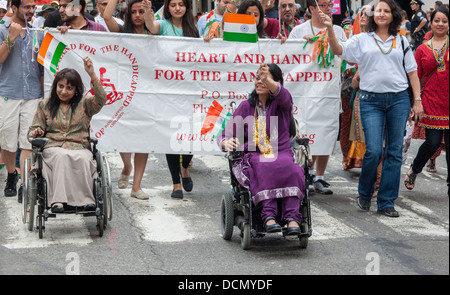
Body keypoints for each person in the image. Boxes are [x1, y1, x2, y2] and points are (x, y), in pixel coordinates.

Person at [322, 0, 423, 217]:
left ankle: (386, 201)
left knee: (394, 153)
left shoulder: (402, 40)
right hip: (370, 101)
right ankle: (365, 194)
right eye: (378, 10)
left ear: (393, 15)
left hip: (399, 101)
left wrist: (417, 100)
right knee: (374, 150)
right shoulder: (361, 39)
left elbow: (412, 72)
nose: (382, 14)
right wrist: (330, 28)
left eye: (387, 11)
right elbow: (338, 50)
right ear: (371, 15)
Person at [219, 63, 305, 235]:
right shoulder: (245, 107)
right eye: (257, 78)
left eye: (265, 79)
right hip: (255, 153)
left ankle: (292, 218)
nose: (259, 81)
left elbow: (284, 96)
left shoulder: (283, 104)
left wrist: (268, 80)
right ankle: (268, 216)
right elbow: (225, 135)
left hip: (281, 151)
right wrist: (225, 143)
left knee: (292, 168)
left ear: (277, 83)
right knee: (263, 164)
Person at [28, 57, 107, 213]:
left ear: (76, 90)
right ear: (55, 86)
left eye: (69, 88)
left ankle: (87, 201)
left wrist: (92, 75)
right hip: (53, 147)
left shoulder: (85, 104)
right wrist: (36, 132)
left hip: (78, 146)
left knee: (84, 158)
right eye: (61, 86)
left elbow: (102, 99)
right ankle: (57, 201)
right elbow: (33, 129)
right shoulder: (45, 105)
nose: (63, 91)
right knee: (61, 157)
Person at [288, 0, 347, 195]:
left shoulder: (338, 30)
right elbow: (289, 56)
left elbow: (342, 53)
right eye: (322, 5)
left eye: (329, 4)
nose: (327, 8)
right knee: (304, 131)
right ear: (312, 8)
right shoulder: (299, 30)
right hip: (304, 91)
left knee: (326, 130)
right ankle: (306, 173)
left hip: (328, 90)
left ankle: (320, 176)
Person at [144, 0, 199, 199]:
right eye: (173, 4)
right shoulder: (163, 25)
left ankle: (185, 167)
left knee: (193, 135)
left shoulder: (194, 28)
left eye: (181, 4)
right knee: (171, 138)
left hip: (189, 91)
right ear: (167, 7)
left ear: (187, 8)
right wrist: (149, 12)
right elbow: (150, 26)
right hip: (167, 92)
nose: (177, 8)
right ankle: (176, 183)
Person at [104, 0, 151, 200]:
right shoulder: (122, 31)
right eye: (134, 12)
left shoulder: (155, 35)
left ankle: (137, 186)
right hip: (126, 91)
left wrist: (150, 11)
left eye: (142, 11)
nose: (138, 15)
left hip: (148, 93)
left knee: (144, 139)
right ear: (128, 14)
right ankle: (127, 165)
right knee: (124, 132)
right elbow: (107, 16)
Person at [0, 0, 44, 201]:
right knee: (8, 142)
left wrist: (45, 95)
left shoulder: (39, 33)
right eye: (26, 7)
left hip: (33, 95)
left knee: (27, 141)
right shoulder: (2, 29)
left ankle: (25, 185)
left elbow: (43, 66)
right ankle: (11, 175)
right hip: (8, 93)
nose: (30, 11)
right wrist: (10, 38)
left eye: (33, 8)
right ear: (14, 8)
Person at [405, 7, 449, 196]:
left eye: (444, 21)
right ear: (430, 23)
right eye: (437, 20)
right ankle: (414, 170)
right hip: (430, 100)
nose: (440, 24)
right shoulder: (422, 49)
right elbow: (415, 77)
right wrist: (414, 102)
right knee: (432, 142)